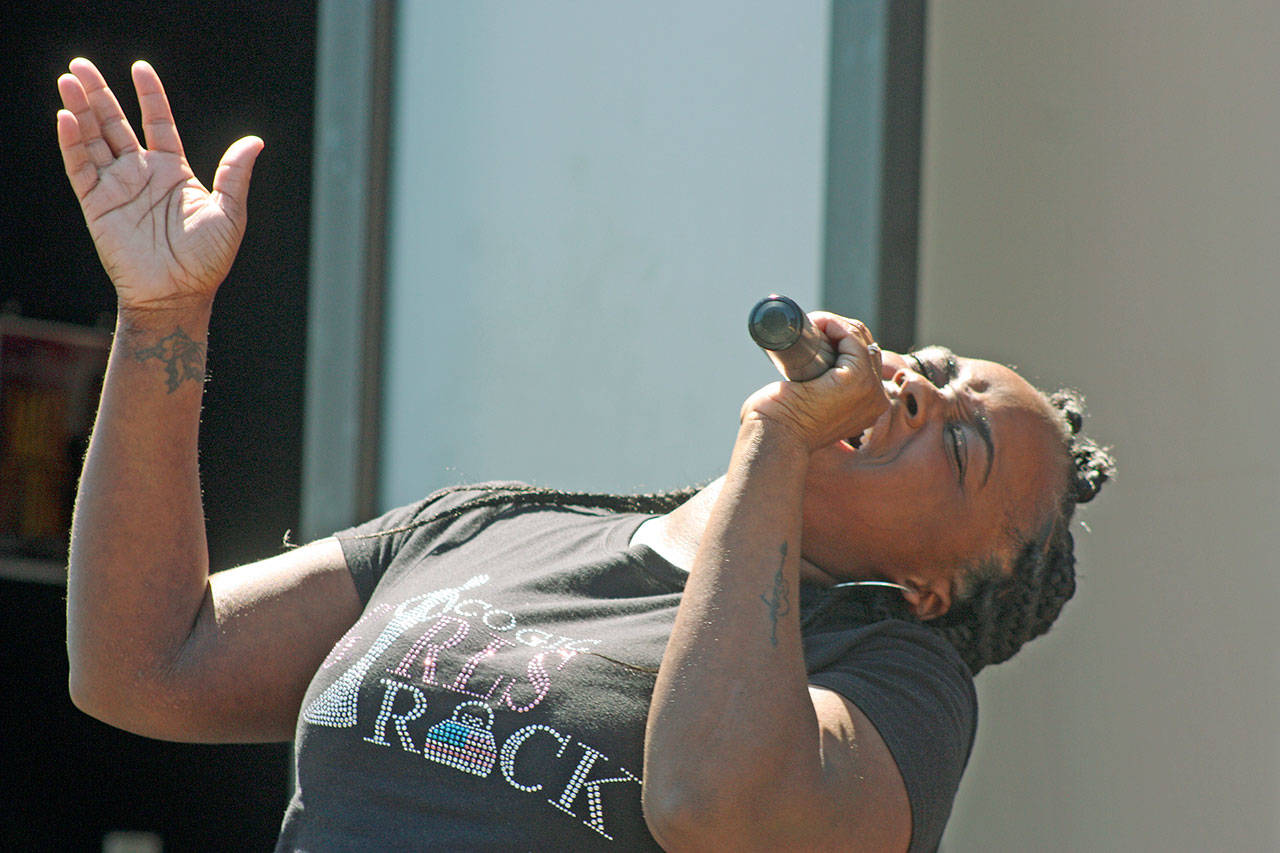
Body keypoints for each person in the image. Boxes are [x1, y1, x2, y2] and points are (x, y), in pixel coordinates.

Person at [56, 58, 1113, 852]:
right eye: (932, 362)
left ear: (934, 588)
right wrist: (165, 315)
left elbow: (710, 804)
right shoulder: (491, 528)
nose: (921, 386)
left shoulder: (895, 682)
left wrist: (775, 441)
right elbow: (144, 665)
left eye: (964, 440)